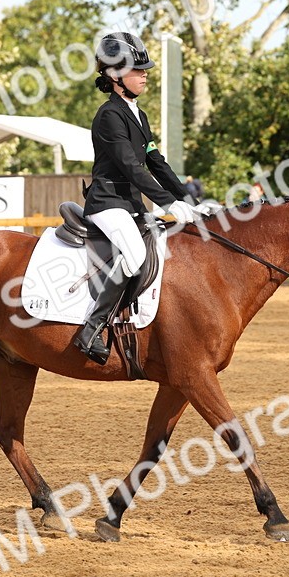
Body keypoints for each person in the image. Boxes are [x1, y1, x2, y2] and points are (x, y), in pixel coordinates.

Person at [75, 32, 203, 365]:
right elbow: (131, 167)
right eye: (137, 69)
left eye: (145, 69)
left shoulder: (139, 115)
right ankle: (91, 328)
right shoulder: (109, 116)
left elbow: (156, 162)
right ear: (115, 76)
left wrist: (187, 198)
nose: (144, 74)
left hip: (131, 205)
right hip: (107, 202)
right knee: (133, 254)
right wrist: (169, 204)